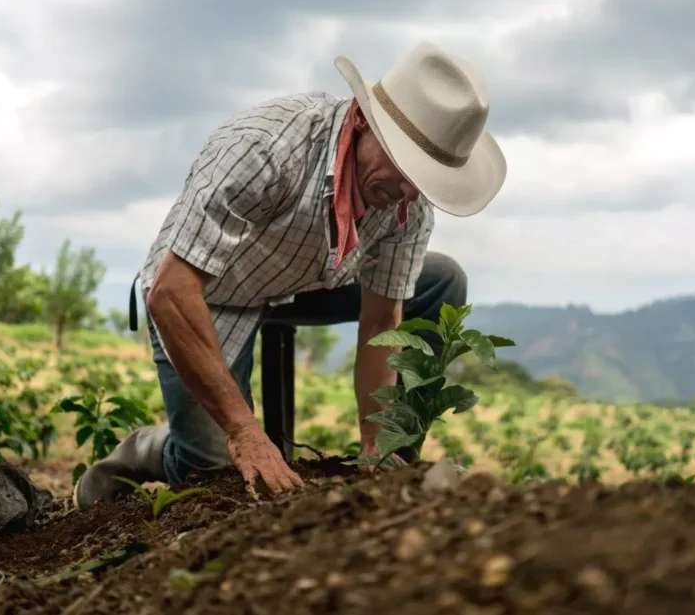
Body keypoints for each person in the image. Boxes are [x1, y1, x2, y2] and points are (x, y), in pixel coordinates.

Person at [73, 41, 507, 508]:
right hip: (209, 290)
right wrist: (243, 431)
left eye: (423, 180)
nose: (408, 192)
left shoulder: (406, 202)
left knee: (441, 279)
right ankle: (146, 450)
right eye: (404, 168)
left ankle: (396, 458)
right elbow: (172, 291)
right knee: (213, 467)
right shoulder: (265, 149)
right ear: (362, 120)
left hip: (306, 280)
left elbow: (383, 321)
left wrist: (375, 447)